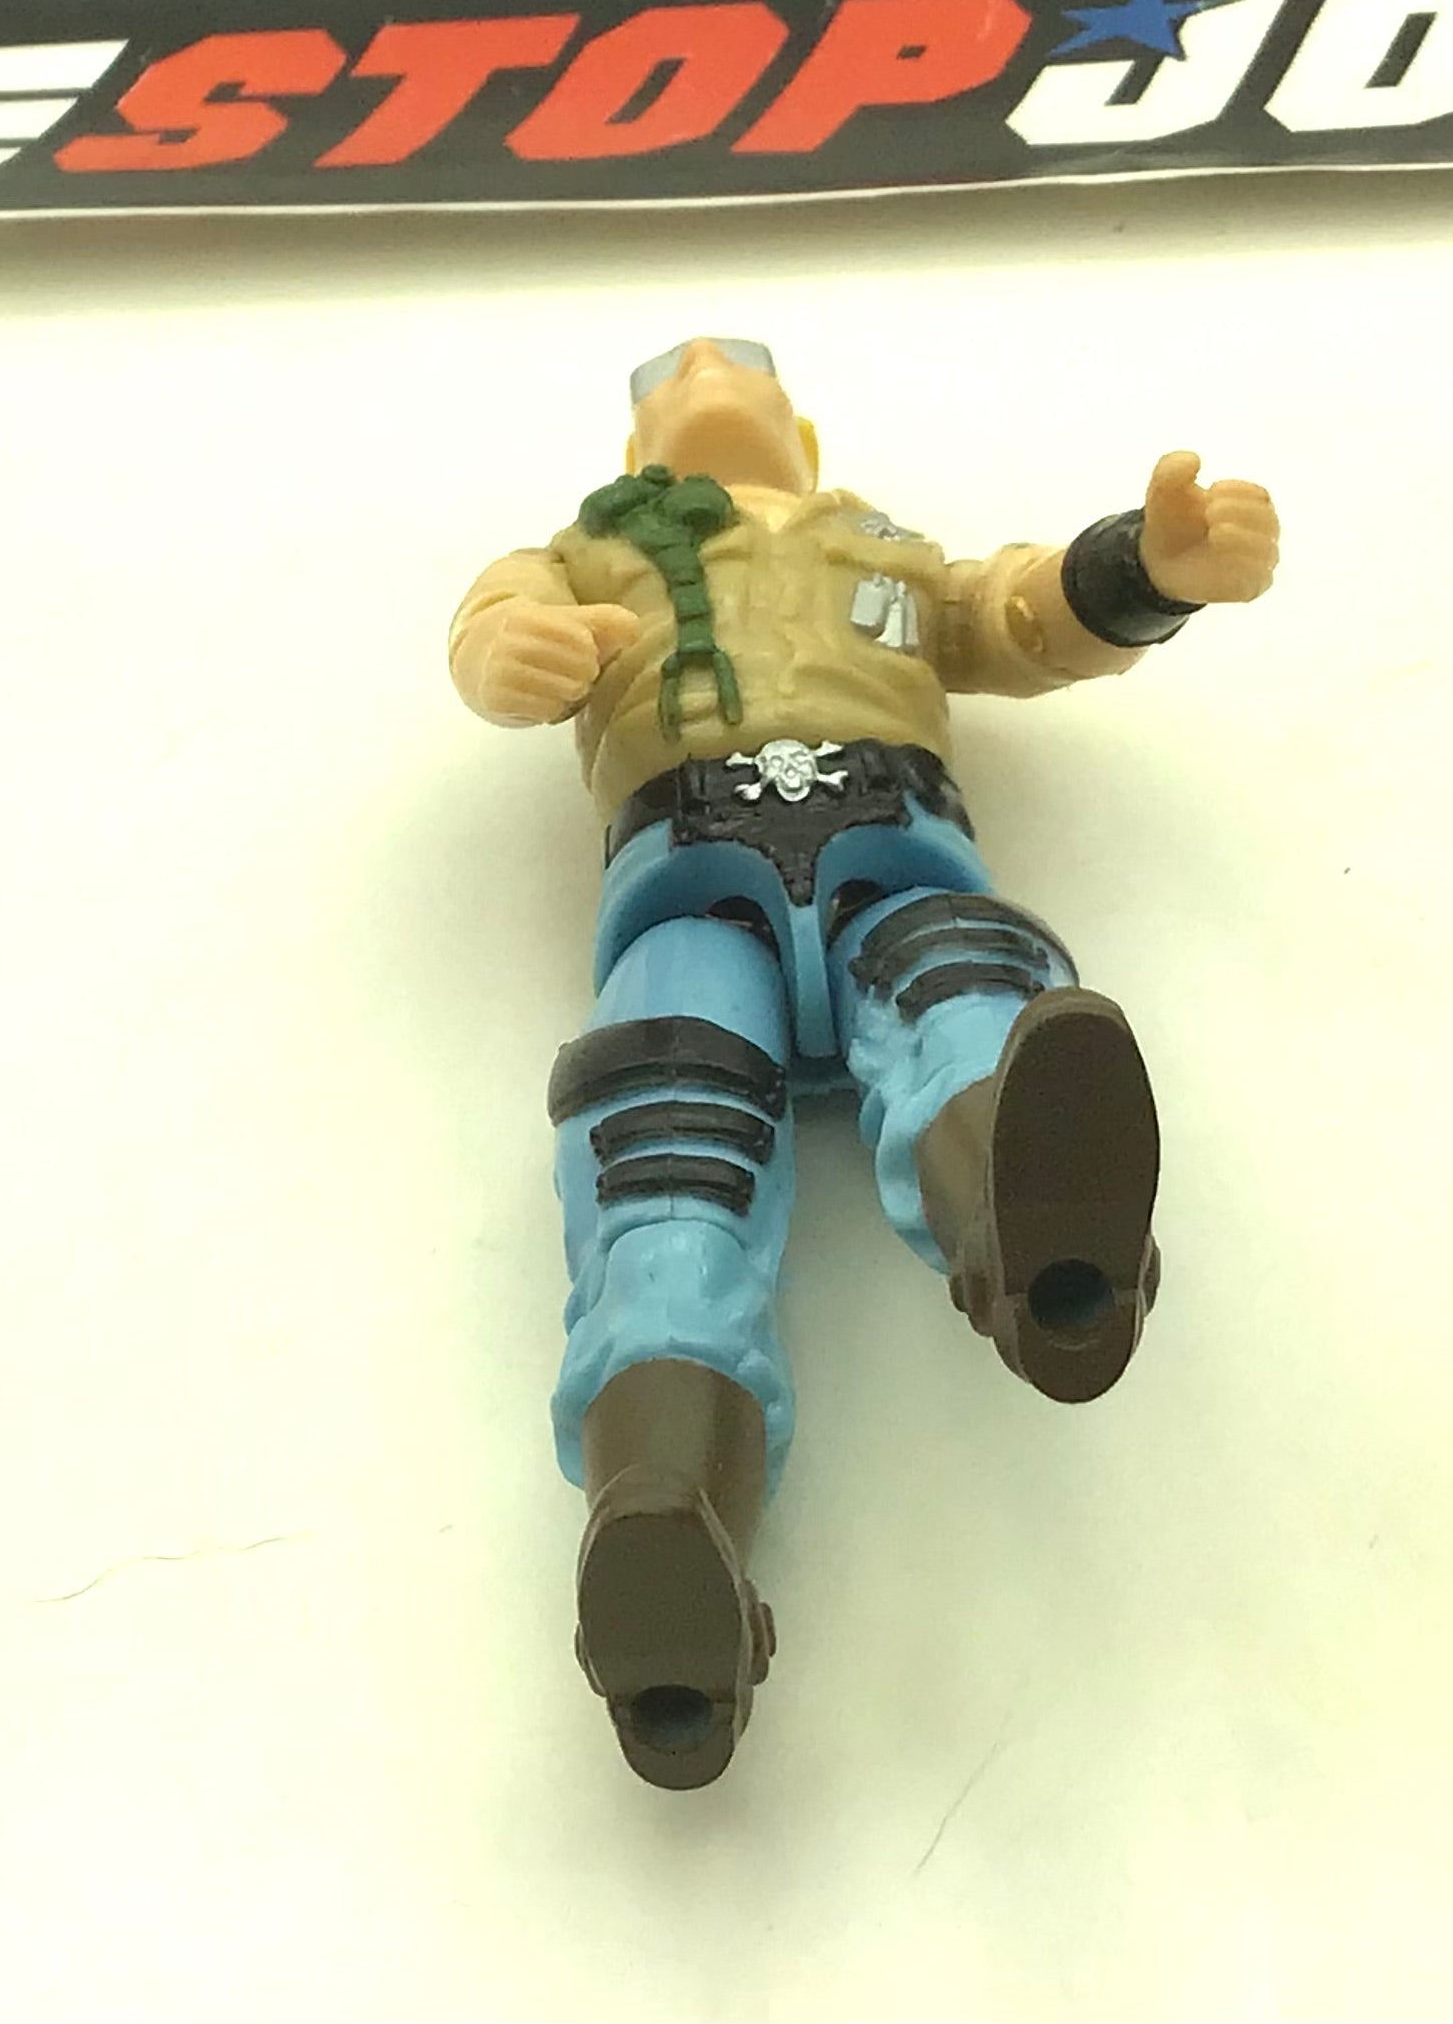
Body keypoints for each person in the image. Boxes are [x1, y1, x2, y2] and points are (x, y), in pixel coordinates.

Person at [449, 336, 1281, 1787]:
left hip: (894, 843)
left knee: (964, 992)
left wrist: (1145, 568)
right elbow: (490, 625)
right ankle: (666, 1508)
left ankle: (1036, 1230)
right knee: (667, 1134)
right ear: (635, 443)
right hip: (686, 870)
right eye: (674, 374)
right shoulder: (583, 554)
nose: (706, 369)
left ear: (808, 433)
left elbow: (1015, 614)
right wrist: (512, 654)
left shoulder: (881, 548)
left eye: (741, 367)